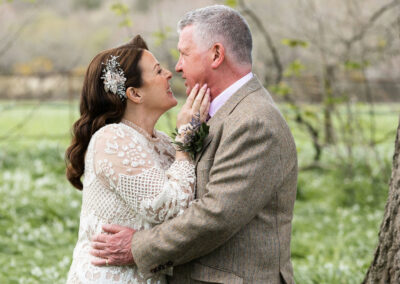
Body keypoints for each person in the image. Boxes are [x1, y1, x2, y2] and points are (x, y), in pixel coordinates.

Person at [91, 5, 298, 284]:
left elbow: (217, 215)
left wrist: (137, 247)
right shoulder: (216, 115)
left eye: (184, 54)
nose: (176, 67)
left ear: (216, 55)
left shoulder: (254, 121)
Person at [65, 35, 210, 283]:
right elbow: (168, 209)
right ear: (134, 93)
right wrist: (186, 139)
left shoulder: (164, 143)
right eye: (157, 71)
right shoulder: (111, 139)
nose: (169, 73)